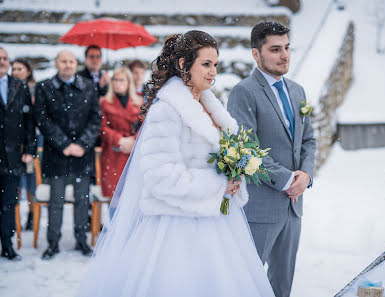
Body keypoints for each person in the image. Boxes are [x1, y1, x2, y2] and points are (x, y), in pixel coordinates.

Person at [76, 31, 275, 297]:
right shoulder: (166, 110)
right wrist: (218, 185)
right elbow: (161, 176)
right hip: (176, 226)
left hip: (217, 219)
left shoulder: (210, 105)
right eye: (205, 64)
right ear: (183, 64)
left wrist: (235, 174)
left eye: (215, 64)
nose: (212, 71)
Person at [227, 21, 317, 297]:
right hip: (259, 208)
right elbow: (246, 151)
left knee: (282, 285)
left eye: (287, 48)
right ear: (256, 54)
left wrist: (305, 176)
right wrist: (289, 179)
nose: (284, 55)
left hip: (293, 207)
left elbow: (309, 140)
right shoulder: (244, 92)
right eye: (275, 49)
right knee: (245, 283)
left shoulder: (297, 91)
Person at [34, 50, 101, 260]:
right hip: (57, 155)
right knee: (56, 201)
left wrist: (81, 144)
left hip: (83, 155)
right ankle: (52, 243)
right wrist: (64, 144)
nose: (67, 65)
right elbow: (43, 120)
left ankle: (82, 240)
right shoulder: (44, 87)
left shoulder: (89, 87)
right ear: (56, 63)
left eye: (71, 61)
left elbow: (95, 119)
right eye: (63, 61)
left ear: (76, 63)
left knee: (83, 200)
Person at [0, 47, 36, 263]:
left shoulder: (19, 86)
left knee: (9, 203)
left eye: (5, 58)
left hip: (13, 157)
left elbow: (29, 121)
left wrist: (29, 149)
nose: (2, 61)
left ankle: (8, 245)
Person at [99, 67, 143, 197]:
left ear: (129, 82)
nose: (118, 83)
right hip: (113, 153)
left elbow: (144, 125)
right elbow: (102, 128)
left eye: (122, 80)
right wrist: (119, 140)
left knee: (132, 196)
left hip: (133, 153)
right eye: (115, 80)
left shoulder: (139, 102)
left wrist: (133, 140)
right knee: (114, 196)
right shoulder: (104, 102)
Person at [11, 58, 37, 230]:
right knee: (17, 181)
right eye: (14, 69)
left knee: (31, 178)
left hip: (33, 138)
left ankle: (31, 214)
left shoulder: (36, 89)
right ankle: (15, 215)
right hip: (14, 140)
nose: (16, 72)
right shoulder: (9, 88)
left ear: (28, 71)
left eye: (20, 68)